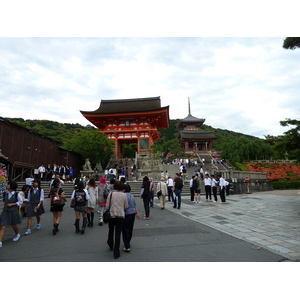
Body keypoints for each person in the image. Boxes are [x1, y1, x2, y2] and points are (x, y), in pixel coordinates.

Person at [105, 180, 128, 259]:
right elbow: (126, 206)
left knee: (111, 230)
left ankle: (110, 243)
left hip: (111, 215)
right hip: (120, 216)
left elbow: (107, 206)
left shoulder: (111, 194)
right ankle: (116, 252)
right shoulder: (124, 195)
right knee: (118, 234)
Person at [0, 181, 23, 248]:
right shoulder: (5, 193)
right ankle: (0, 241)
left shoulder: (16, 194)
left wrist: (12, 204)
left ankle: (17, 233)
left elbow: (20, 202)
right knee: (2, 226)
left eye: (8, 184)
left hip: (13, 210)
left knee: (13, 225)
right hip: (5, 211)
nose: (6, 185)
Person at [122, 184, 140, 253]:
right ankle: (128, 240)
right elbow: (135, 205)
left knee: (125, 228)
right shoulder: (131, 195)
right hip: (132, 213)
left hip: (126, 213)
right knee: (130, 228)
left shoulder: (124, 195)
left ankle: (127, 245)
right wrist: (137, 213)